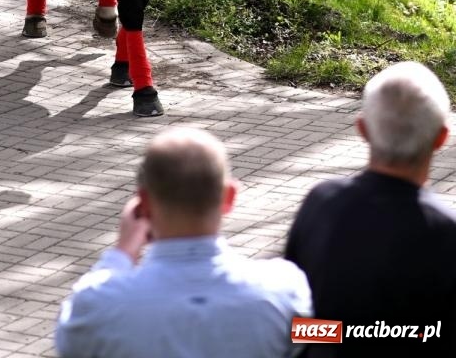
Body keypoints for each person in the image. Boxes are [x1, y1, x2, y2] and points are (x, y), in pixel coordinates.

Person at [55, 125, 311, 358]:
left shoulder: (98, 305)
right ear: (229, 197)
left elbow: (71, 344)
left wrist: (122, 252)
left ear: (143, 203)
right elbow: (324, 338)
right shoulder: (284, 288)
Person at [285, 60, 456, 351]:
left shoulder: (321, 203)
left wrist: (340, 335)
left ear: (363, 129)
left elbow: (297, 322)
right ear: (441, 138)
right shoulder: (446, 233)